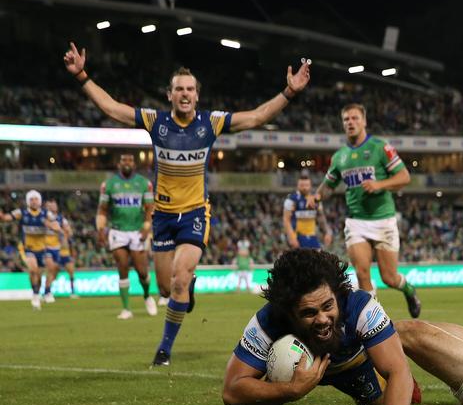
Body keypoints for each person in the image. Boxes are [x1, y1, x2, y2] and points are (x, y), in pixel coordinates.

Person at [64, 42, 311, 365]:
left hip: (195, 212)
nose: (184, 93)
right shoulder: (156, 122)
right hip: (163, 216)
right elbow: (112, 108)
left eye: (190, 89)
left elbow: (256, 117)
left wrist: (289, 93)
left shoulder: (211, 123)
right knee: (168, 289)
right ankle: (185, 290)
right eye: (179, 88)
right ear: (170, 95)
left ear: (197, 95)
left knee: (180, 277)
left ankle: (164, 349)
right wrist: (82, 75)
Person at [222, 248, 418, 405]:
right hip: (293, 372)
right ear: (288, 312)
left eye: (328, 306)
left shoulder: (360, 306)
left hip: (353, 364)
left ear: (337, 294)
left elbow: (398, 371)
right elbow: (231, 392)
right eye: (309, 312)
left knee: (390, 404)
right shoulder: (268, 320)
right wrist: (290, 390)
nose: (323, 319)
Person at [312, 103, 421, 318]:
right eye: (346, 119)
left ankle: (409, 290)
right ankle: (373, 323)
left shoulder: (381, 148)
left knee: (389, 277)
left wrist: (379, 185)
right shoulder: (339, 157)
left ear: (364, 122)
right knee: (362, 274)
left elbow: (404, 177)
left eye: (354, 118)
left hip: (383, 220)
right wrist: (316, 196)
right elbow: (328, 187)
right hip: (356, 222)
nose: (350, 123)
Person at [96, 154, 156, 319]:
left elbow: (150, 207)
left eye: (130, 160)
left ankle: (147, 295)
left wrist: (147, 227)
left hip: (137, 230)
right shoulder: (109, 184)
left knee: (141, 271)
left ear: (134, 164)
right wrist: (101, 229)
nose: (127, 163)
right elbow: (102, 209)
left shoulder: (144, 183)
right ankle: (126, 309)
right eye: (124, 160)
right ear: (119, 164)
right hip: (117, 230)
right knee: (122, 265)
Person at [0, 190, 60, 310]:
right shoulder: (21, 212)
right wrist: (1, 216)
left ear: (40, 201)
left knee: (50, 269)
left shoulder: (46, 214)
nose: (34, 201)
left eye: (36, 199)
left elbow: (56, 226)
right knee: (33, 270)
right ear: (28, 201)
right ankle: (36, 295)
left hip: (43, 248)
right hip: (27, 248)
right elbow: (6, 218)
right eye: (31, 199)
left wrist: (51, 226)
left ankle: (46, 291)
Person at [283, 172, 332, 249]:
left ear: (310, 186)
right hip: (297, 237)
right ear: (297, 186)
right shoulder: (291, 200)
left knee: (318, 258)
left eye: (306, 185)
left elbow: (321, 218)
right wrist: (291, 237)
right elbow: (286, 220)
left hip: (312, 236)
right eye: (302, 185)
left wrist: (327, 232)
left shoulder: (315, 200)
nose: (304, 188)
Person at [42, 198, 69, 303]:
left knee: (55, 270)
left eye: (54, 205)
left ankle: (46, 289)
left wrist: (65, 232)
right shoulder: (43, 217)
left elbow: (67, 231)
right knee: (51, 268)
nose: (53, 207)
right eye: (50, 205)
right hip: (45, 247)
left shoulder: (61, 218)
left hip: (57, 248)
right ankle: (47, 292)